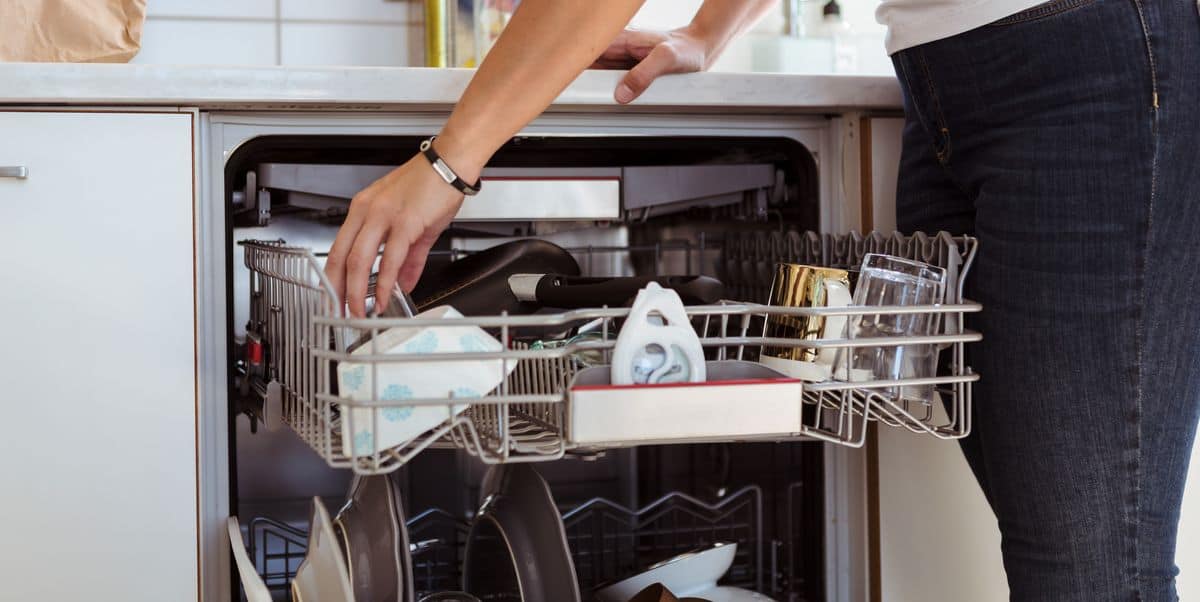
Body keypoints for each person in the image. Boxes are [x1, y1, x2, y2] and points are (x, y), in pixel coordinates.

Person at [324, 0, 1200, 599]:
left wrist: (447, 163)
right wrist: (710, 30)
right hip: (950, 77)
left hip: (1095, 62)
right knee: (1058, 536)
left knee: (1090, 558)